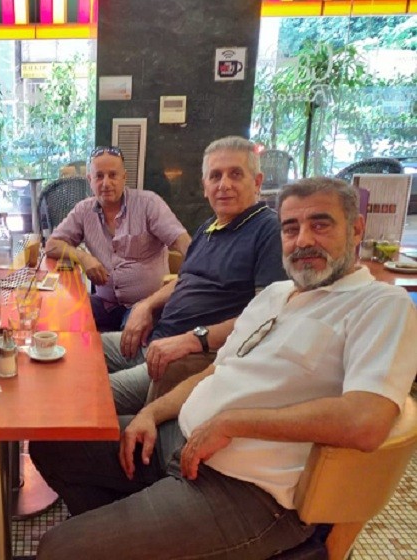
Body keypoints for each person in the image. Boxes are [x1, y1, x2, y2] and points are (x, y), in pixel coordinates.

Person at [30, 177, 417, 559]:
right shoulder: (276, 295)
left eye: (320, 225)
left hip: (247, 491)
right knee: (52, 445)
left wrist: (232, 423)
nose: (302, 241)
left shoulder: (379, 305)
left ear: (356, 229)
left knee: (58, 550)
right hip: (179, 441)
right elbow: (214, 372)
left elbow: (366, 421)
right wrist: (151, 413)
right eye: (290, 228)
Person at [106, 136, 287, 414]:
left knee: (87, 394)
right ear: (205, 187)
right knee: (76, 351)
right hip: (152, 340)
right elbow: (183, 279)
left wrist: (194, 339)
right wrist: (146, 305)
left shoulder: (269, 231)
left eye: (235, 174)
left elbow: (267, 318)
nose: (224, 184)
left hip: (183, 360)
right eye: (215, 176)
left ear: (257, 181)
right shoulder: (209, 228)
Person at [45, 145, 192, 332]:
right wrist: (83, 257)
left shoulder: (149, 204)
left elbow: (183, 242)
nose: (106, 183)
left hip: (143, 306)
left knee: (122, 342)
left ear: (124, 177)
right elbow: (52, 245)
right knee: (61, 320)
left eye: (113, 175)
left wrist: (196, 275)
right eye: (99, 176)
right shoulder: (83, 210)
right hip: (106, 304)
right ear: (90, 180)